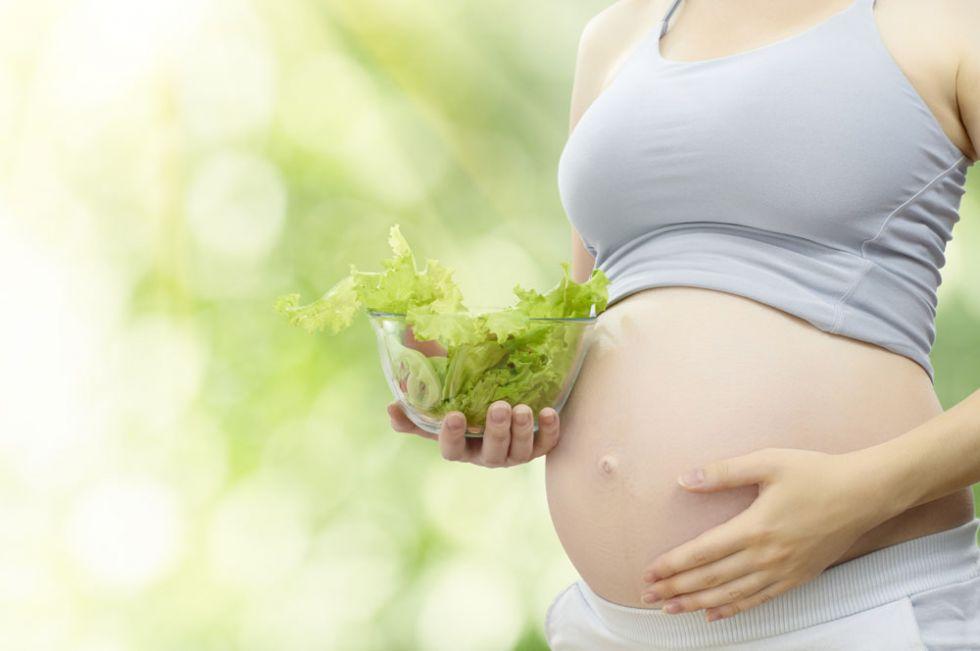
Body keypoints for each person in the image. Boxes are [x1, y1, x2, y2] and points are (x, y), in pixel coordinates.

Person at [391, 0, 980, 647]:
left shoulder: (946, 22)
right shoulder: (616, 36)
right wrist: (497, 390)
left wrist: (860, 494)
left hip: (855, 609)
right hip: (610, 627)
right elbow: (590, 318)